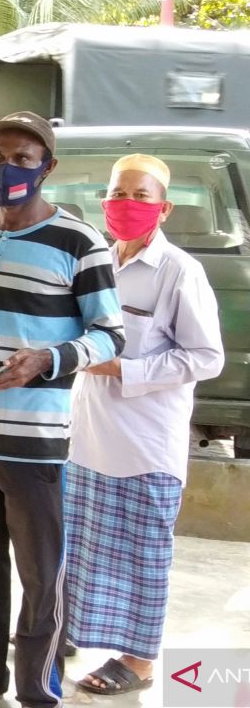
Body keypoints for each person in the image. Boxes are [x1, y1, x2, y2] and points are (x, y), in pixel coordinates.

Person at [0, 111, 124, 708]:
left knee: (42, 577)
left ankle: (39, 691)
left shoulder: (79, 243)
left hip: (39, 440)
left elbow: (112, 336)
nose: (6, 167)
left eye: (23, 159)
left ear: (47, 169)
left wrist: (47, 359)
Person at [65, 154, 223, 696]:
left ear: (165, 207)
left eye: (141, 196)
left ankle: (138, 662)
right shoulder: (100, 262)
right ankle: (76, 632)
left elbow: (206, 357)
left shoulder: (180, 271)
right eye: (119, 193)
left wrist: (122, 367)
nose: (126, 205)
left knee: (142, 553)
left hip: (145, 441)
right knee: (84, 545)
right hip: (89, 434)